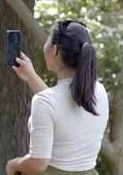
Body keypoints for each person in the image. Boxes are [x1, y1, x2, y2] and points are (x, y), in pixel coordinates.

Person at [6, 20, 109, 175]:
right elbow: (60, 110)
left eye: (47, 40)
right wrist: (31, 76)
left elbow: (37, 165)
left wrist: (14, 164)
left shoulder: (45, 102)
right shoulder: (99, 90)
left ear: (54, 51)